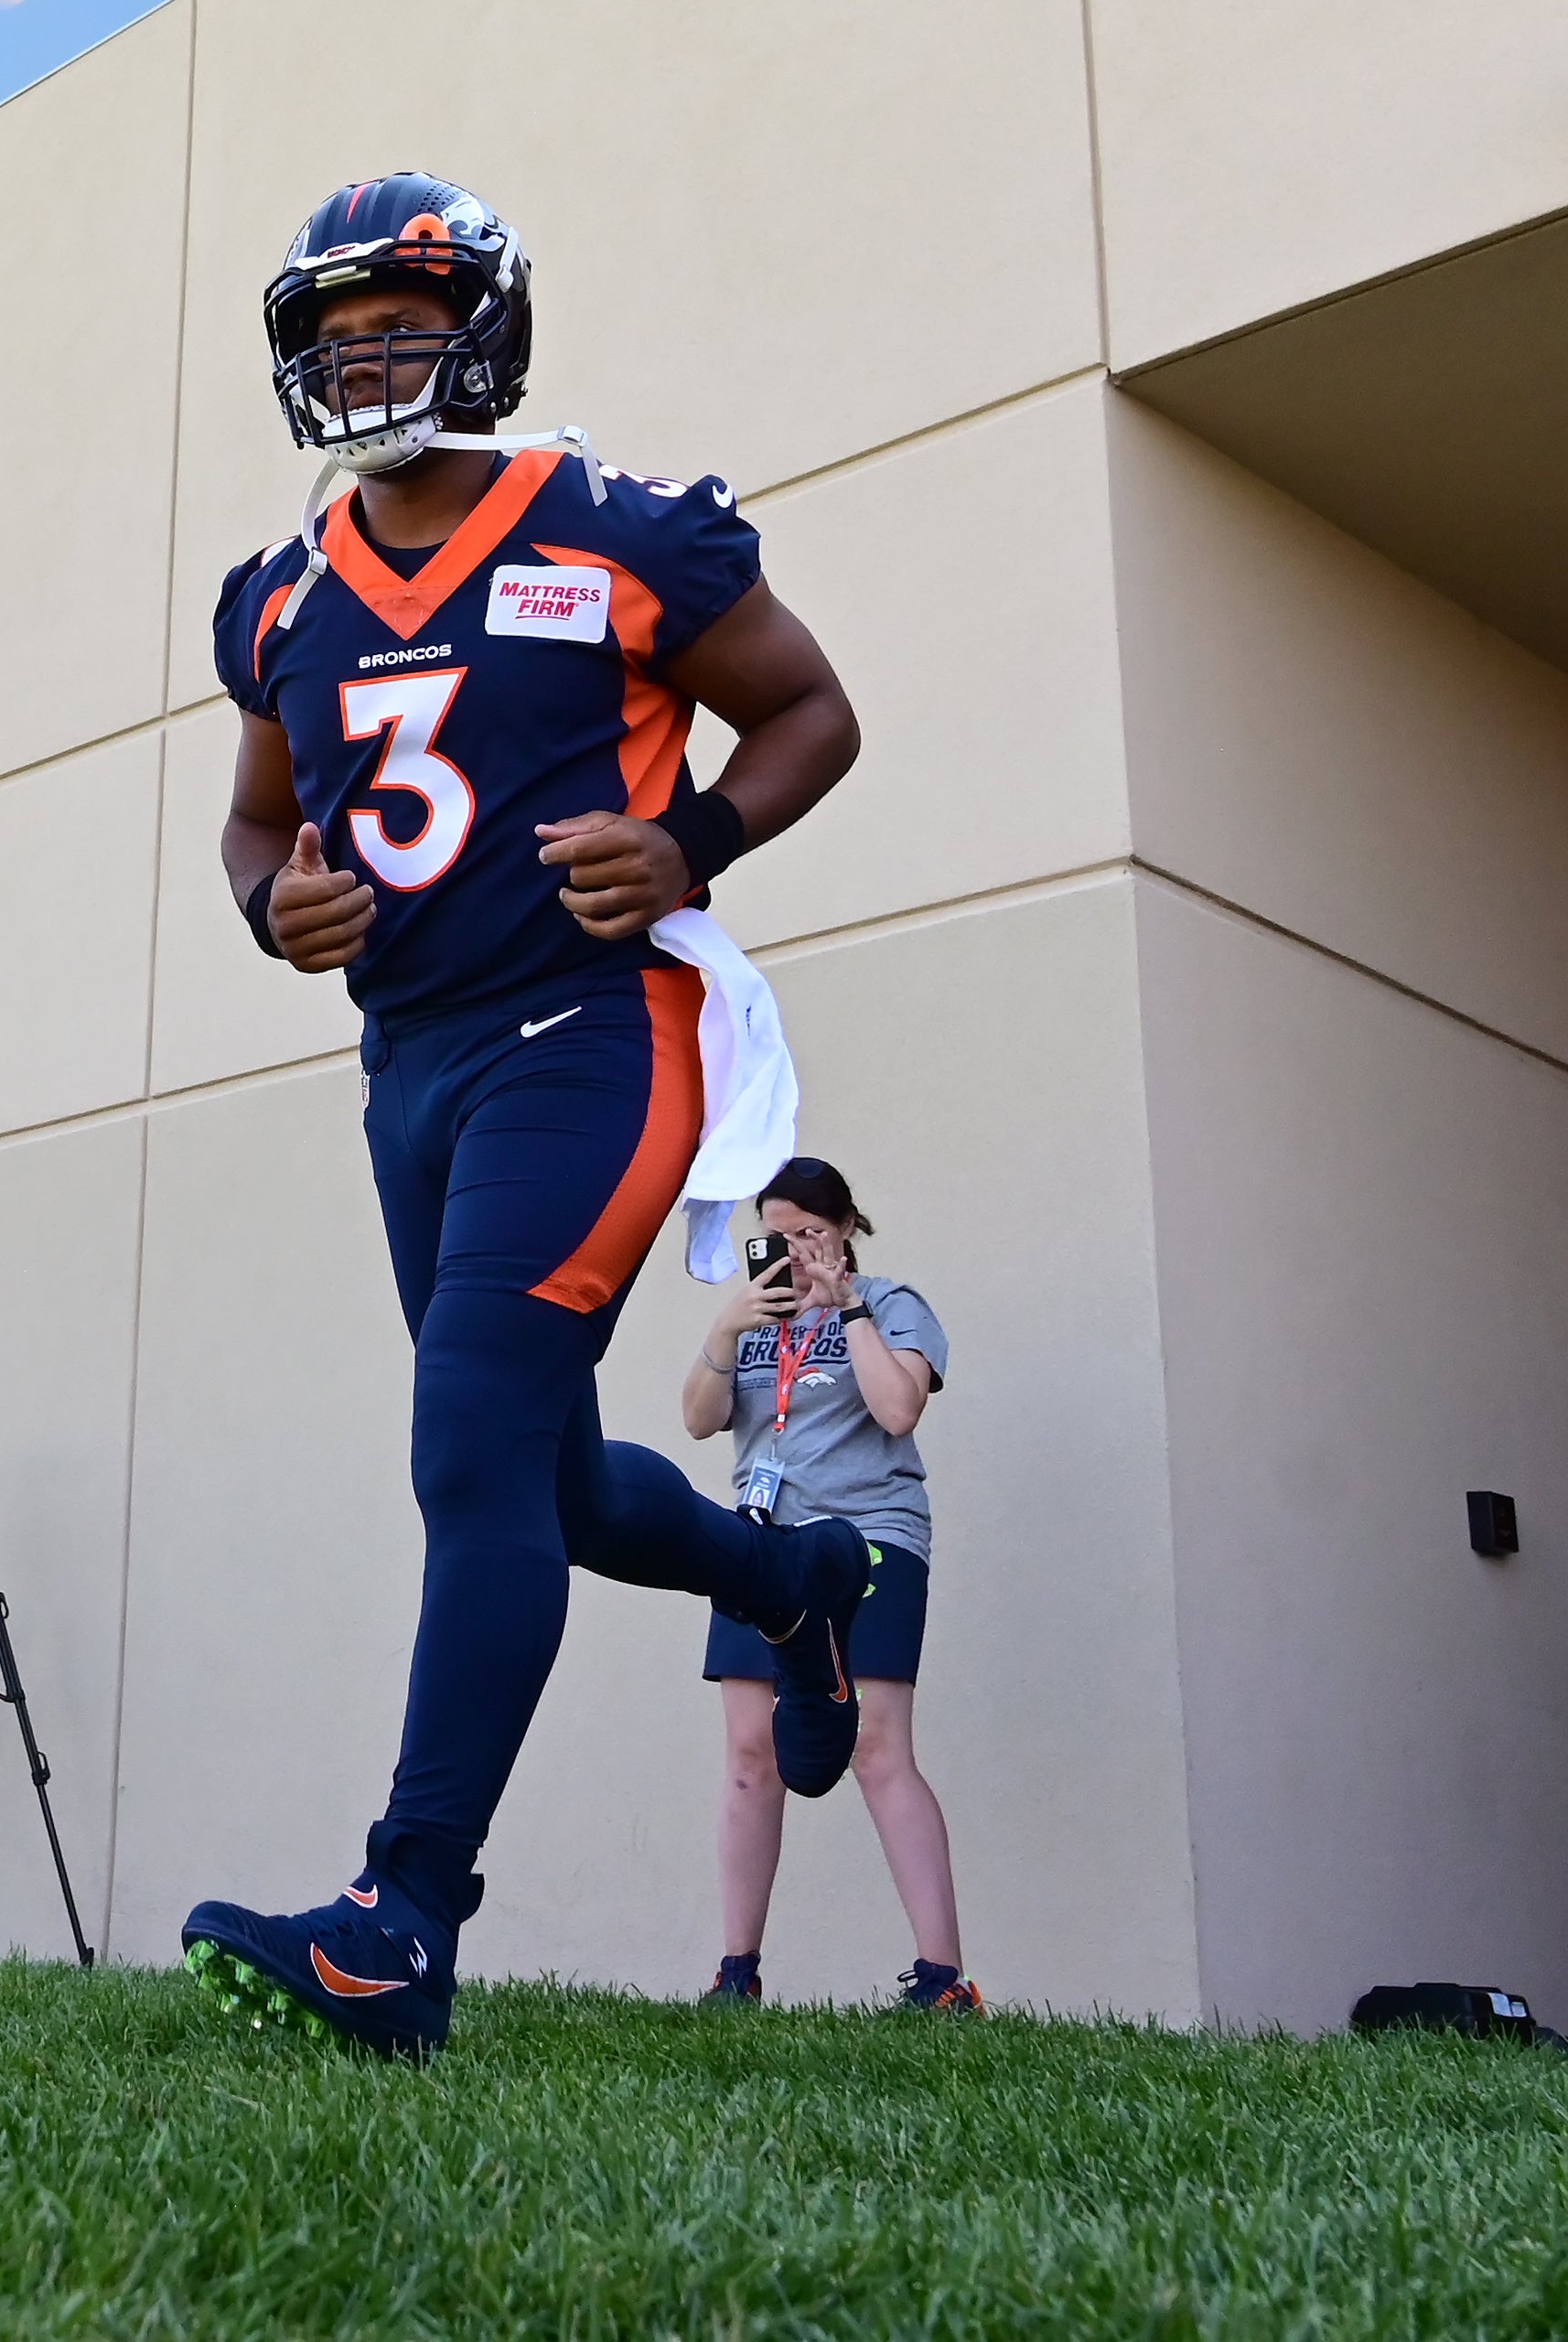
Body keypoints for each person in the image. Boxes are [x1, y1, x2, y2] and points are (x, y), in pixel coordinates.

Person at [180, 175, 871, 2057]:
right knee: (542, 1483)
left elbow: (808, 706)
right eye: (329, 339)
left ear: (482, 327)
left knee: (468, 1448)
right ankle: (793, 1579)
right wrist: (270, 906)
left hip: (594, 1027)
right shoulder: (283, 592)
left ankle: (404, 1916)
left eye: (396, 323)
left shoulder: (612, 526)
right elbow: (259, 821)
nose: (361, 363)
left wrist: (693, 840)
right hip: (408, 1063)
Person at [682, 1156, 976, 2014]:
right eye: (778, 1234)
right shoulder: (758, 1319)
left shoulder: (890, 1303)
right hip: (762, 1543)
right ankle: (736, 1972)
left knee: (876, 1746)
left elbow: (898, 1410)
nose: (797, 1250)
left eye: (811, 1232)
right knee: (749, 1750)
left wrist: (843, 1306)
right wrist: (730, 1323)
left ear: (845, 1227)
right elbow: (699, 1418)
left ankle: (941, 1979)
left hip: (870, 1539)